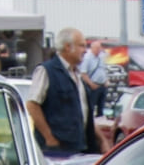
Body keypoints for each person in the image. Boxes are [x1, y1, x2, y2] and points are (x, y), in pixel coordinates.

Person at [26, 27, 97, 156]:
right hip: (57, 150)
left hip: (79, 147)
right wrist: (49, 138)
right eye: (81, 46)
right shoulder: (47, 71)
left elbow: (84, 113)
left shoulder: (77, 75)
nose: (85, 51)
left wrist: (101, 140)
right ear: (67, 47)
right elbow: (32, 105)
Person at [80, 39, 108, 119]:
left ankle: (100, 121)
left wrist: (106, 80)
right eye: (97, 48)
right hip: (93, 86)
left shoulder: (101, 57)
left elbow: (103, 69)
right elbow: (83, 73)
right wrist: (91, 84)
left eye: (100, 48)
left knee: (101, 107)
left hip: (102, 85)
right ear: (92, 48)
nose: (99, 50)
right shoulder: (87, 58)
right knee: (91, 107)